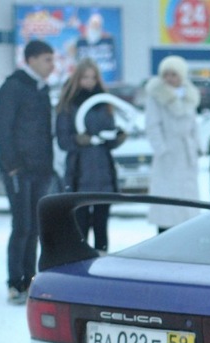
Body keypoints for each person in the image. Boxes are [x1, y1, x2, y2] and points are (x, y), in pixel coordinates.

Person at [0, 40, 55, 305]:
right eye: (47, 60)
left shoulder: (41, 88)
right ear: (31, 60)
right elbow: (2, 127)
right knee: (22, 226)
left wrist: (49, 166)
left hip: (40, 168)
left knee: (35, 228)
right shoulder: (14, 86)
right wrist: (12, 165)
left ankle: (29, 280)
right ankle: (14, 282)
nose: (52, 65)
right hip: (19, 169)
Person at [55, 58, 126, 253]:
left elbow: (108, 138)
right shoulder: (68, 105)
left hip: (103, 174)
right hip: (79, 174)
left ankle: (101, 263)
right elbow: (62, 141)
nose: (89, 82)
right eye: (85, 77)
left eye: (93, 77)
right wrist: (78, 140)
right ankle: (81, 264)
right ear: (77, 79)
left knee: (102, 227)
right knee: (80, 227)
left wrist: (117, 138)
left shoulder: (104, 103)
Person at [144, 55, 200, 233]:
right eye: (166, 74)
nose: (169, 78)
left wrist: (196, 145)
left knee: (187, 203)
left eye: (173, 74)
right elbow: (152, 125)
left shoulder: (189, 94)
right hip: (168, 154)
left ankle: (185, 234)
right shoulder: (156, 95)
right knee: (167, 203)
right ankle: (165, 234)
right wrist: (162, 150)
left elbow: (193, 124)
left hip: (186, 152)